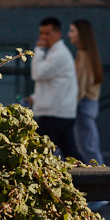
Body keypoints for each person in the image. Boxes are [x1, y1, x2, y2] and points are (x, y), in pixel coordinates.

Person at [30, 16, 80, 160]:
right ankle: (91, 178)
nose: (43, 37)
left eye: (47, 33)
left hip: (54, 115)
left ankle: (93, 178)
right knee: (71, 154)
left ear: (58, 34)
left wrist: (38, 50)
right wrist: (34, 98)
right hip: (59, 113)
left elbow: (37, 74)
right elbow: (51, 83)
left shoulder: (59, 54)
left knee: (38, 154)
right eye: (41, 33)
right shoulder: (55, 53)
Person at [69, 19, 104, 165]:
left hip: (82, 107)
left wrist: (67, 107)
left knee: (88, 149)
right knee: (88, 148)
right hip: (87, 106)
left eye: (72, 31)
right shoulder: (88, 55)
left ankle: (101, 179)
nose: (69, 34)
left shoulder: (83, 56)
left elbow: (79, 87)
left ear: (81, 34)